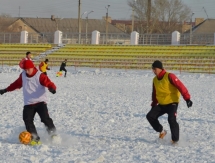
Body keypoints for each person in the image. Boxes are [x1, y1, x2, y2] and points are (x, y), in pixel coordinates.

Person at [0, 60, 57, 145]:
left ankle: (53, 134)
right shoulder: (23, 75)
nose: (27, 71)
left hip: (40, 102)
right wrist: (6, 90)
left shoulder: (40, 75)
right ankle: (35, 138)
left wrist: (52, 88)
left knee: (45, 118)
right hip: (28, 103)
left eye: (28, 69)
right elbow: (16, 84)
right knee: (27, 120)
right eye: (25, 69)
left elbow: (48, 83)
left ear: (32, 67)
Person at [146, 60, 193, 144]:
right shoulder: (155, 80)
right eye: (152, 69)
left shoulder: (170, 76)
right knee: (150, 116)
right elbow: (155, 93)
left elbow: (180, 86)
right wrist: (154, 104)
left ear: (160, 68)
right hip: (162, 104)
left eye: (154, 69)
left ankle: (175, 140)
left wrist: (187, 99)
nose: (153, 71)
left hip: (172, 103)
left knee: (171, 119)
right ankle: (162, 131)